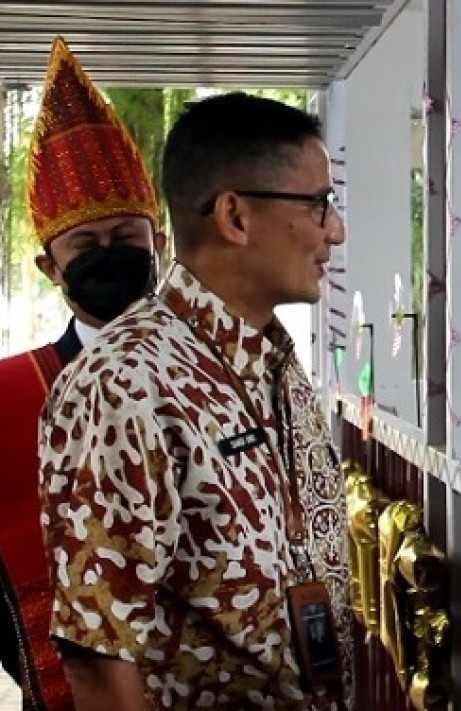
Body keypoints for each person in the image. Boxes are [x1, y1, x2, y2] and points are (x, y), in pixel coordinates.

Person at [38, 92, 352, 709]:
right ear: (234, 216)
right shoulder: (124, 383)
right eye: (318, 204)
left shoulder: (278, 363)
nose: (334, 230)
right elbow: (100, 658)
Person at [0, 37, 164, 710]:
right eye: (85, 246)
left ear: (159, 244)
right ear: (49, 267)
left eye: (126, 239)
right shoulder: (8, 395)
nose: (110, 256)